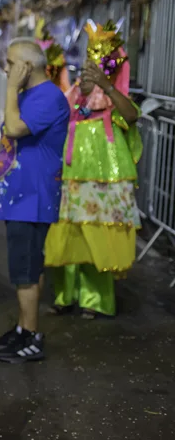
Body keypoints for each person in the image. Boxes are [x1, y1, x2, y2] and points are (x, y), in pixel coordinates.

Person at [0, 38, 70, 363]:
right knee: (24, 267)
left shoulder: (49, 97)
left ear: (26, 67)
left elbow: (15, 128)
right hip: (16, 195)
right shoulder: (29, 96)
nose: (5, 68)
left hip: (33, 198)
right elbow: (7, 146)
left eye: (10, 63)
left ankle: (31, 336)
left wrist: (10, 89)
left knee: (25, 271)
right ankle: (22, 330)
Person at [45, 21, 140, 319]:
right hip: (69, 181)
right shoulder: (72, 98)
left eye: (96, 64)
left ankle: (95, 299)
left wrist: (107, 86)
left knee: (96, 238)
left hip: (102, 183)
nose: (89, 69)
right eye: (87, 62)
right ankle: (64, 295)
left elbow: (132, 116)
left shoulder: (113, 101)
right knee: (67, 236)